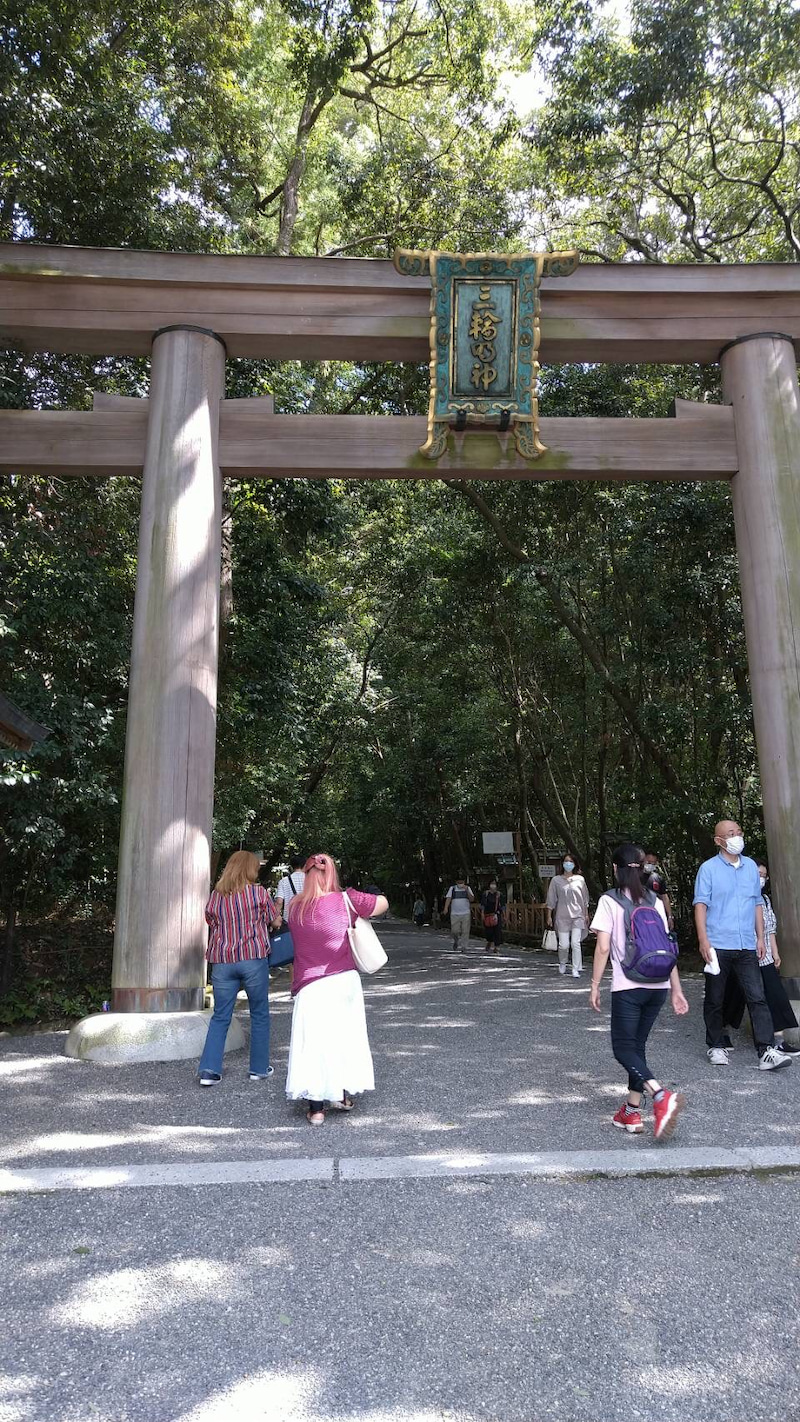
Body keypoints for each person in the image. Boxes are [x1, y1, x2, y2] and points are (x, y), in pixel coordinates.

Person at [590, 843, 689, 1139]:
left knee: (623, 1048)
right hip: (657, 985)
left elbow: (603, 947)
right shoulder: (655, 900)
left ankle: (660, 1095)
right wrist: (676, 989)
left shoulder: (610, 900)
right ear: (644, 868)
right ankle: (631, 1112)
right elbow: (667, 945)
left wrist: (594, 986)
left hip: (629, 986)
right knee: (638, 1047)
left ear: (614, 869)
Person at [286, 854, 388, 1125]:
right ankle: (341, 1096)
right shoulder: (347, 900)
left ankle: (316, 1108)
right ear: (332, 874)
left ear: (306, 875)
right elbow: (382, 905)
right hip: (344, 981)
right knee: (343, 1038)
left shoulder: (294, 908)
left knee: (314, 1044)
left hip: (310, 984)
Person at [694, 819, 791, 1071]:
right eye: (730, 833)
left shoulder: (750, 867)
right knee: (715, 997)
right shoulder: (708, 869)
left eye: (738, 831)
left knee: (757, 997)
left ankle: (766, 1050)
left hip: (747, 943)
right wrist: (703, 940)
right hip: (718, 944)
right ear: (718, 840)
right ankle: (716, 1045)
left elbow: (756, 903)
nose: (736, 836)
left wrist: (760, 938)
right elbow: (701, 905)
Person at [198, 850, 279, 1086]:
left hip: (222, 960)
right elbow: (274, 920)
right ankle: (258, 1068)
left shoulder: (216, 895)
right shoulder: (259, 893)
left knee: (221, 1015)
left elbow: (210, 921)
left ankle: (209, 1071)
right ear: (249, 869)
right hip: (252, 958)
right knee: (259, 1013)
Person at [721, 861, 800, 1057]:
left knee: (774, 995)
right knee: (733, 997)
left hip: (764, 956)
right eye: (757, 873)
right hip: (743, 954)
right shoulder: (737, 897)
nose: (761, 878)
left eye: (764, 874)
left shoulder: (764, 899)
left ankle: (778, 1040)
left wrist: (776, 952)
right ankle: (721, 1031)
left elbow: (770, 929)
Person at [546, 854, 589, 977]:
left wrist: (586, 915)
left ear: (575, 864)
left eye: (570, 861)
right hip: (562, 916)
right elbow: (551, 899)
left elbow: (585, 899)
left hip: (578, 915)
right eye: (566, 861)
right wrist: (549, 915)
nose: (568, 864)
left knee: (575, 943)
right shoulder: (556, 880)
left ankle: (575, 968)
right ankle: (563, 962)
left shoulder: (580, 880)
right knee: (564, 944)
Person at [643, 850, 675, 931]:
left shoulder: (658, 879)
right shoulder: (634, 877)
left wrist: (670, 916)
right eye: (648, 862)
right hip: (639, 914)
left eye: (653, 863)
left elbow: (664, 897)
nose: (650, 865)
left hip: (655, 915)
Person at [444, 873, 474, 953]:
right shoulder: (452, 889)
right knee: (454, 931)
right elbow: (448, 898)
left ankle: (464, 946)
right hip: (455, 913)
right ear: (456, 882)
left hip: (466, 913)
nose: (460, 884)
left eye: (462, 882)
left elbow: (472, 899)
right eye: (459, 882)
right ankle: (456, 940)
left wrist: (467, 890)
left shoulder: (468, 888)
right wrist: (446, 908)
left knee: (465, 931)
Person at [274, 855, 305, 926]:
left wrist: (275, 917)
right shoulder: (311, 880)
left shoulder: (284, 881)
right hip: (307, 920)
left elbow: (279, 901)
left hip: (289, 920)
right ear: (304, 866)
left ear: (291, 866)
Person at [481, 879, 504, 953]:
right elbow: (483, 905)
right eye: (491, 883)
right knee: (488, 931)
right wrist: (482, 913)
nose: (493, 885)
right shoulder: (486, 894)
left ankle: (497, 946)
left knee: (498, 931)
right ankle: (489, 941)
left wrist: (505, 915)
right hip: (487, 914)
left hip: (497, 914)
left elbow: (503, 906)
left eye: (494, 884)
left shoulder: (499, 894)